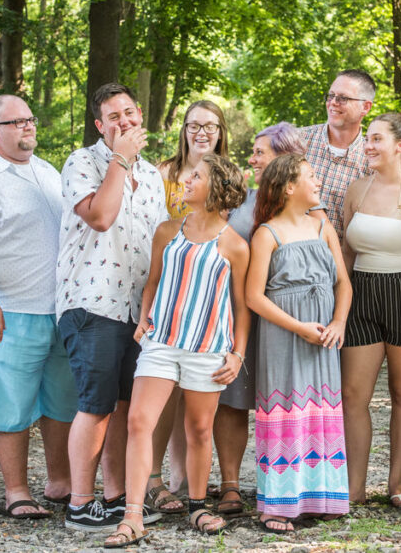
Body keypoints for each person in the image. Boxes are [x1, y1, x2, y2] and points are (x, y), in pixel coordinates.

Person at [103, 154, 250, 547]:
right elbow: (152, 281)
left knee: (200, 429)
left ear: (217, 189)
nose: (186, 180)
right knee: (138, 421)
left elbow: (241, 305)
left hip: (208, 349)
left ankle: (198, 507)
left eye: (196, 176)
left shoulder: (235, 245)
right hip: (161, 344)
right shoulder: (167, 231)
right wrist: (144, 318)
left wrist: (237, 354)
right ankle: (133, 515)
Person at [0, 95, 77, 520]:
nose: (28, 127)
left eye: (30, 119)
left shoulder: (47, 171)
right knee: (12, 404)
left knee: (61, 402)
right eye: (16, 121)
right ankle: (17, 492)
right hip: (6, 309)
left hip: (58, 310)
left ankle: (60, 482)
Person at [55, 83, 169, 531]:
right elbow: (100, 216)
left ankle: (116, 497)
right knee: (96, 403)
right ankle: (80, 504)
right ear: (100, 126)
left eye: (129, 113)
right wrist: (119, 160)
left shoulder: (155, 176)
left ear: (140, 115)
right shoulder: (82, 161)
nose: (124, 122)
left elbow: (158, 243)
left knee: (124, 403)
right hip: (91, 300)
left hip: (135, 308)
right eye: (112, 117)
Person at [339, 110, 401, 506]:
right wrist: (339, 307)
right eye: (368, 138)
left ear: (400, 146)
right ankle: (354, 487)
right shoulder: (355, 190)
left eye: (377, 139)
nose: (368, 145)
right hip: (361, 294)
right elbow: (347, 252)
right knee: (353, 395)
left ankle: (396, 483)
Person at [247, 154, 352, 532]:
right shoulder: (266, 233)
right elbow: (254, 297)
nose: (318, 182)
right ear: (289, 187)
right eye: (311, 176)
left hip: (324, 335)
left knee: (320, 406)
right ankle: (278, 504)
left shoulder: (322, 226)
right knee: (286, 408)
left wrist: (338, 321)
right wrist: (298, 327)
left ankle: (321, 496)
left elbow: (344, 282)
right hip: (283, 335)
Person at [213, 122, 307, 515]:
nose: (251, 159)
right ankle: (230, 485)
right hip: (236, 317)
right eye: (252, 152)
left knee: (286, 404)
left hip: (286, 320)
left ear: (284, 158)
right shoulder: (238, 203)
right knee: (232, 401)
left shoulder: (305, 208)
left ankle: (283, 484)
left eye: (260, 152)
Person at [150, 100, 230, 506]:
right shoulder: (162, 174)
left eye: (210, 126)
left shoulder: (228, 177)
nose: (201, 132)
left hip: (207, 299)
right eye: (193, 125)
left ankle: (183, 476)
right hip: (165, 291)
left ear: (221, 132)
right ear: (182, 130)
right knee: (164, 388)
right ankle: (152, 477)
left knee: (195, 389)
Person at [300, 69, 374, 238]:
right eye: (331, 95)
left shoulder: (372, 162)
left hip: (340, 260)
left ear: (365, 107)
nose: (333, 102)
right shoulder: (296, 141)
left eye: (343, 98)